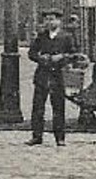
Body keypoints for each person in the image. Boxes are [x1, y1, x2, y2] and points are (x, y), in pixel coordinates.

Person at [26, 9, 78, 146]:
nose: (49, 22)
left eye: (52, 19)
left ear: (59, 21)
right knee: (38, 107)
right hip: (42, 75)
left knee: (58, 107)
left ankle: (60, 137)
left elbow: (74, 55)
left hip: (58, 75)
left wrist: (62, 57)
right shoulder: (41, 37)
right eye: (46, 20)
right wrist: (39, 58)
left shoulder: (66, 37)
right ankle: (37, 136)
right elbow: (31, 53)